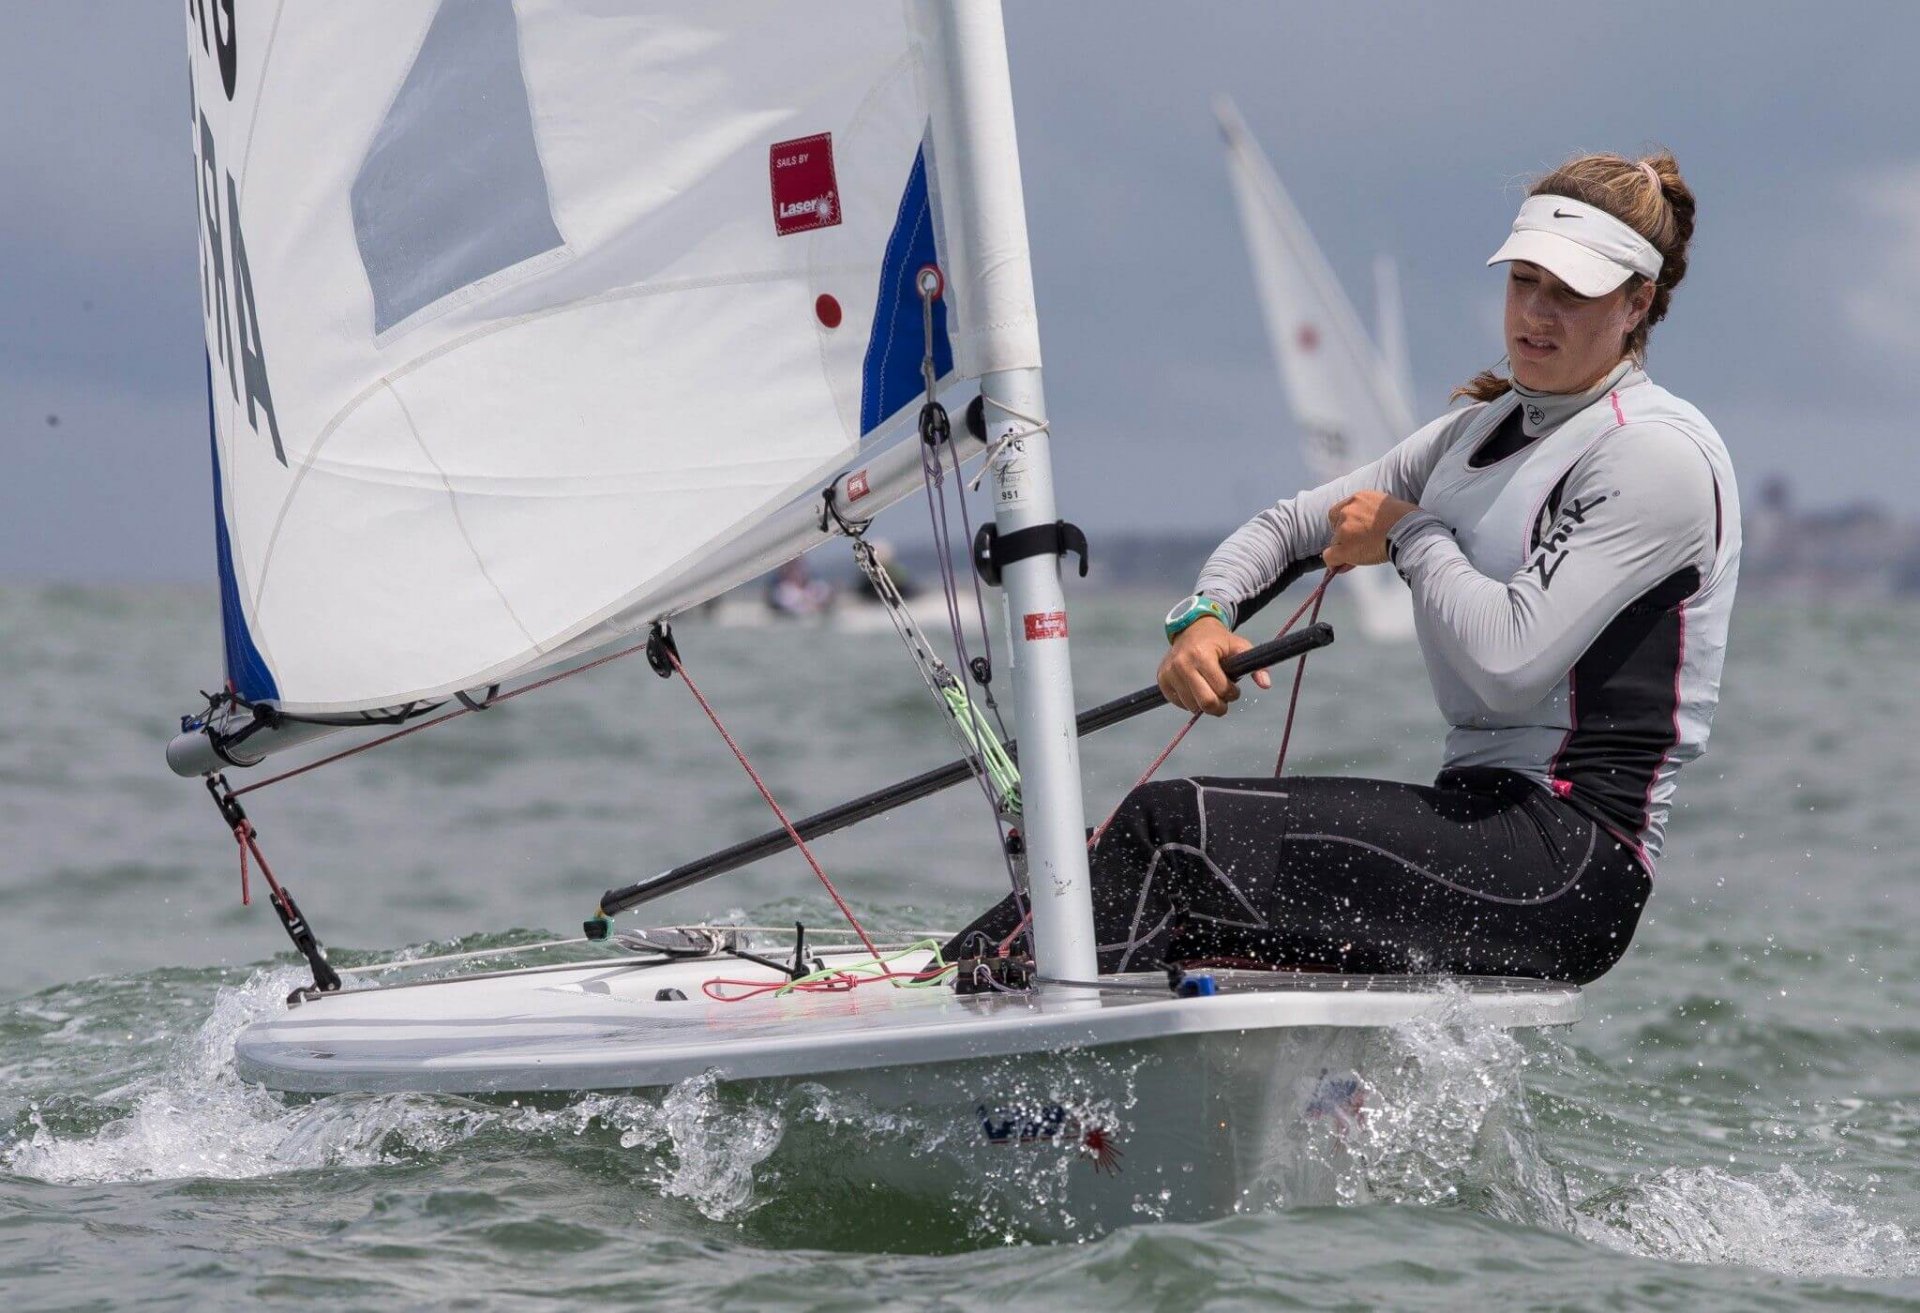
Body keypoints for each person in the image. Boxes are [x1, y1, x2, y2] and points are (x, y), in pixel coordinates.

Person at [950, 151, 1738, 986]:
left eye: (1570, 293)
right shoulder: (1472, 436)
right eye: (1523, 282)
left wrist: (1409, 534)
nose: (1535, 315)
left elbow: (1508, 664)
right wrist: (1204, 617)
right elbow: (1292, 525)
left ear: (1637, 303)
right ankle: (960, 985)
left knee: (1169, 831)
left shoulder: (1652, 455)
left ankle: (986, 1030)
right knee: (1110, 867)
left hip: (1569, 862)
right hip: (1477, 820)